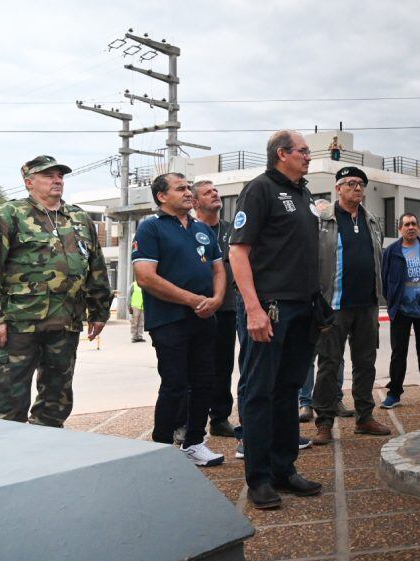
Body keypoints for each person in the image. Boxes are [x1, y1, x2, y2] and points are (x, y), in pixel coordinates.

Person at [0, 155, 111, 427]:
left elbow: (96, 268)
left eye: (60, 176)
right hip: (19, 323)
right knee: (10, 394)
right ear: (29, 182)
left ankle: (48, 451)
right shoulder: (11, 214)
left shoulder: (80, 218)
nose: (57, 180)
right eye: (48, 175)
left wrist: (99, 311)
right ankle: (9, 458)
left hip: (66, 321)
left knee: (57, 397)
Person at [230, 130, 324, 509]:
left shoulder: (303, 193)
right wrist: (252, 308)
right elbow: (238, 252)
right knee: (259, 391)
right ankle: (260, 478)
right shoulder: (259, 190)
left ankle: (285, 469)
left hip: (303, 309)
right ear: (282, 154)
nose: (308, 157)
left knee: (287, 391)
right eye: (303, 151)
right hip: (269, 308)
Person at [132, 173, 226, 467]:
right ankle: (161, 446)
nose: (188, 193)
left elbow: (219, 270)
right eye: (181, 189)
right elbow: (146, 277)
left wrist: (217, 300)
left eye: (189, 188)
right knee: (174, 383)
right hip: (169, 319)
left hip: (205, 317)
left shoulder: (201, 229)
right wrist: (192, 300)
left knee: (204, 382)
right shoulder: (150, 228)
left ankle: (195, 442)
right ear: (161, 196)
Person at [312, 166, 391, 444]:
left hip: (367, 305)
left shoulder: (371, 221)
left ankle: (365, 418)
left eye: (360, 184)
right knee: (329, 365)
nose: (356, 188)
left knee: (365, 363)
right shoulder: (323, 220)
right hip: (334, 305)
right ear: (338, 188)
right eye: (350, 183)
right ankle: (323, 421)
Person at [192, 180, 239, 438]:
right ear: (196, 202)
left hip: (227, 306)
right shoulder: (188, 229)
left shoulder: (232, 230)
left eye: (216, 191)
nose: (215, 195)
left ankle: (220, 418)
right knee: (197, 365)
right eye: (208, 192)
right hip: (196, 306)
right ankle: (187, 422)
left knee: (223, 365)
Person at [298, 199, 350, 423]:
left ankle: (335, 398)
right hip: (310, 305)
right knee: (308, 356)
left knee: (335, 357)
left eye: (326, 217)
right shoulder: (305, 240)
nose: (322, 222)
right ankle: (305, 403)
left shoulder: (336, 239)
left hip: (333, 306)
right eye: (319, 217)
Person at [380, 212, 420, 409]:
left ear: (419, 227)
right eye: (406, 224)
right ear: (400, 229)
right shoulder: (392, 251)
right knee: (398, 353)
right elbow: (384, 280)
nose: (410, 227)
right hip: (401, 311)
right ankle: (394, 393)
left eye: (414, 224)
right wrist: (393, 301)